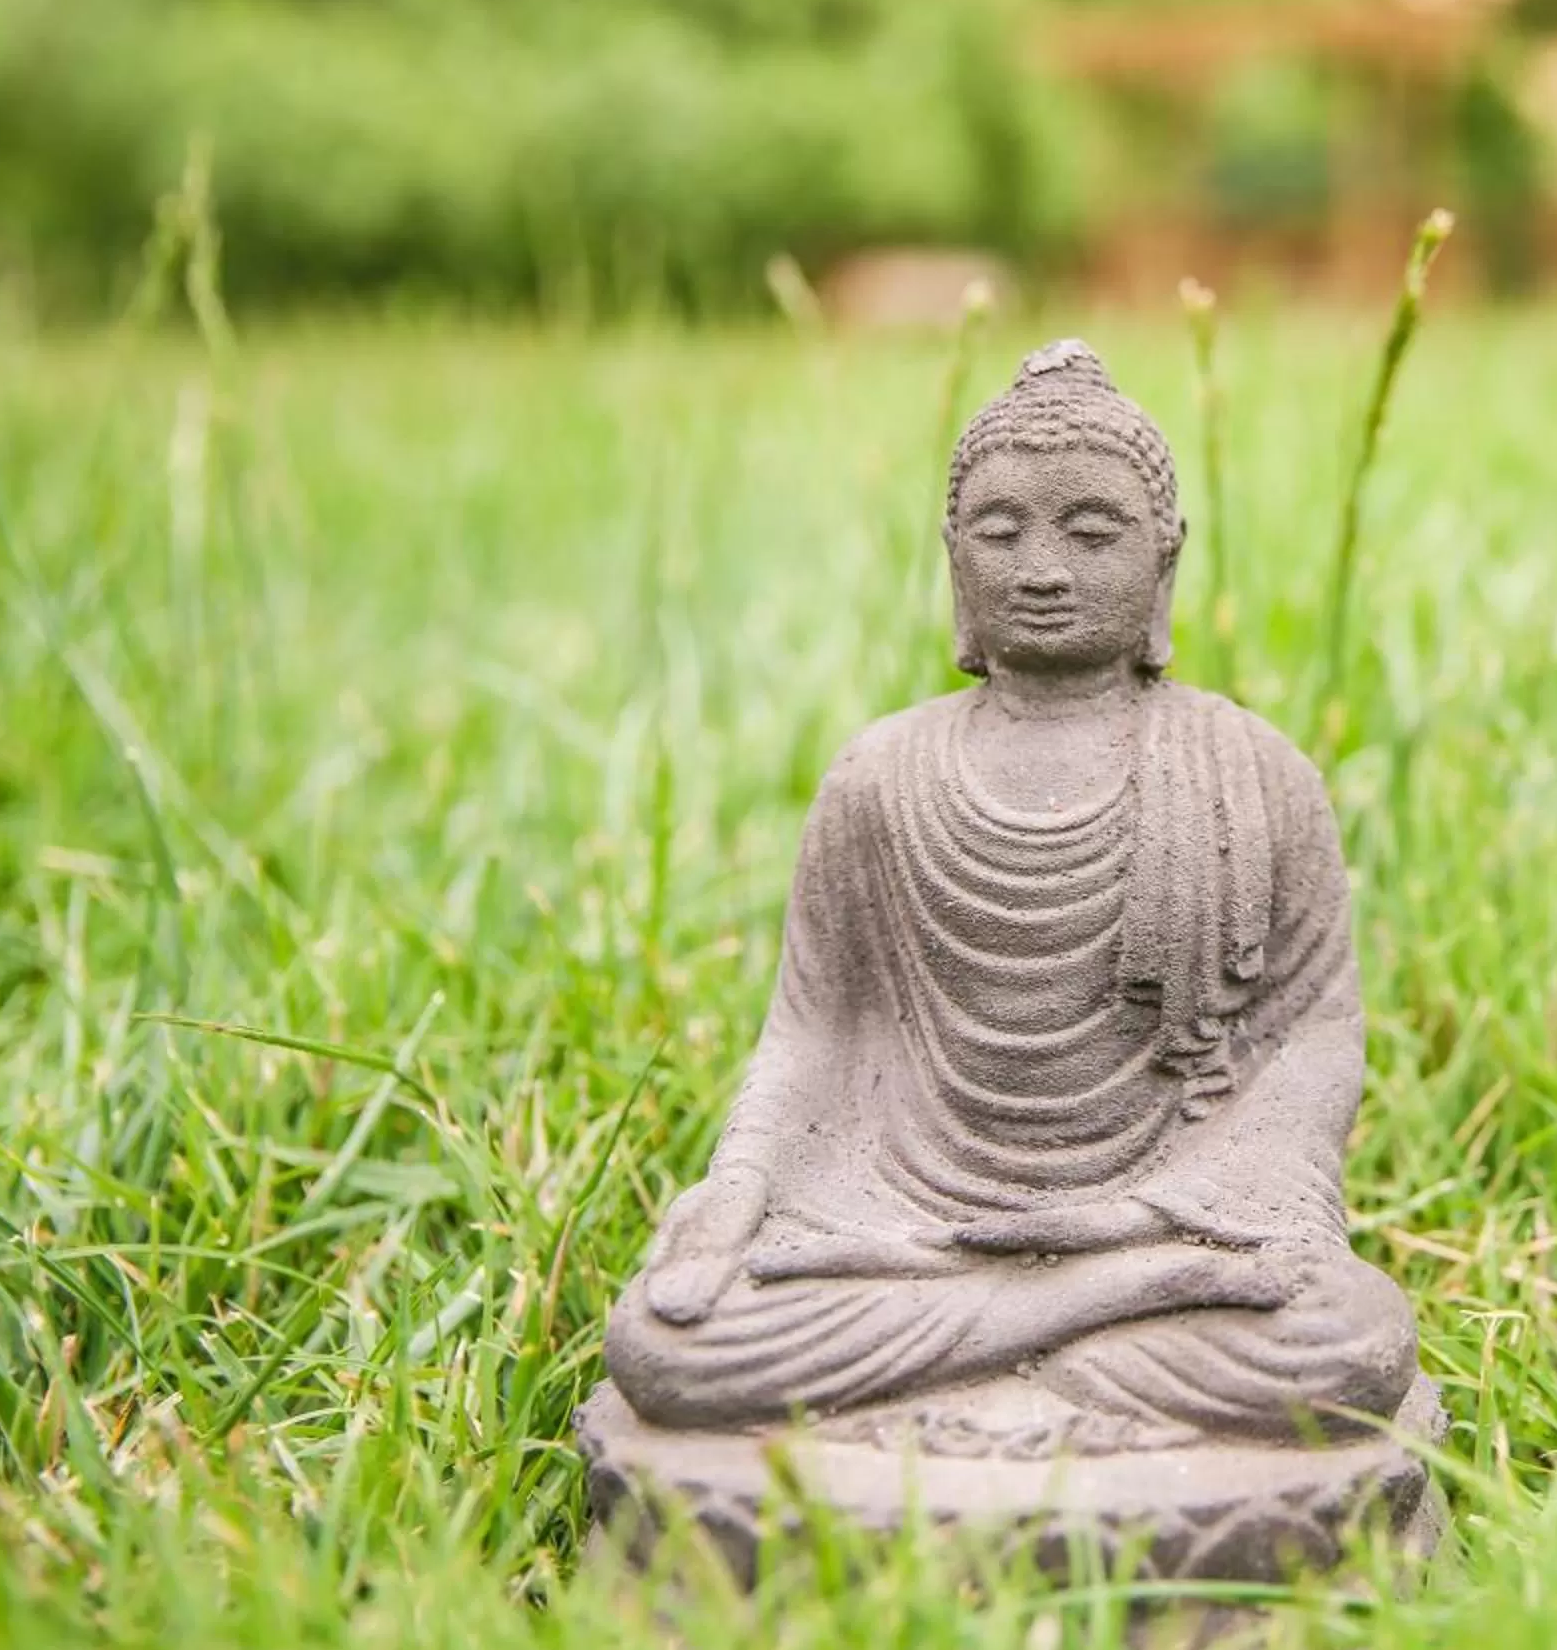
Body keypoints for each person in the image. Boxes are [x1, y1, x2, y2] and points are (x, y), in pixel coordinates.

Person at [603, 342, 1417, 1449]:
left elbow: (1314, 1032)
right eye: (999, 532)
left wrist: (1179, 1210)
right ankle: (1069, 1328)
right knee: (670, 1343)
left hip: (1159, 1214)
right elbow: (815, 1030)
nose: (1042, 567)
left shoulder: (1255, 773)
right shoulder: (879, 776)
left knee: (1345, 1344)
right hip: (900, 1223)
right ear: (952, 556)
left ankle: (1052, 1321)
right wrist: (739, 1189)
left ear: (1165, 559)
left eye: (1092, 533)